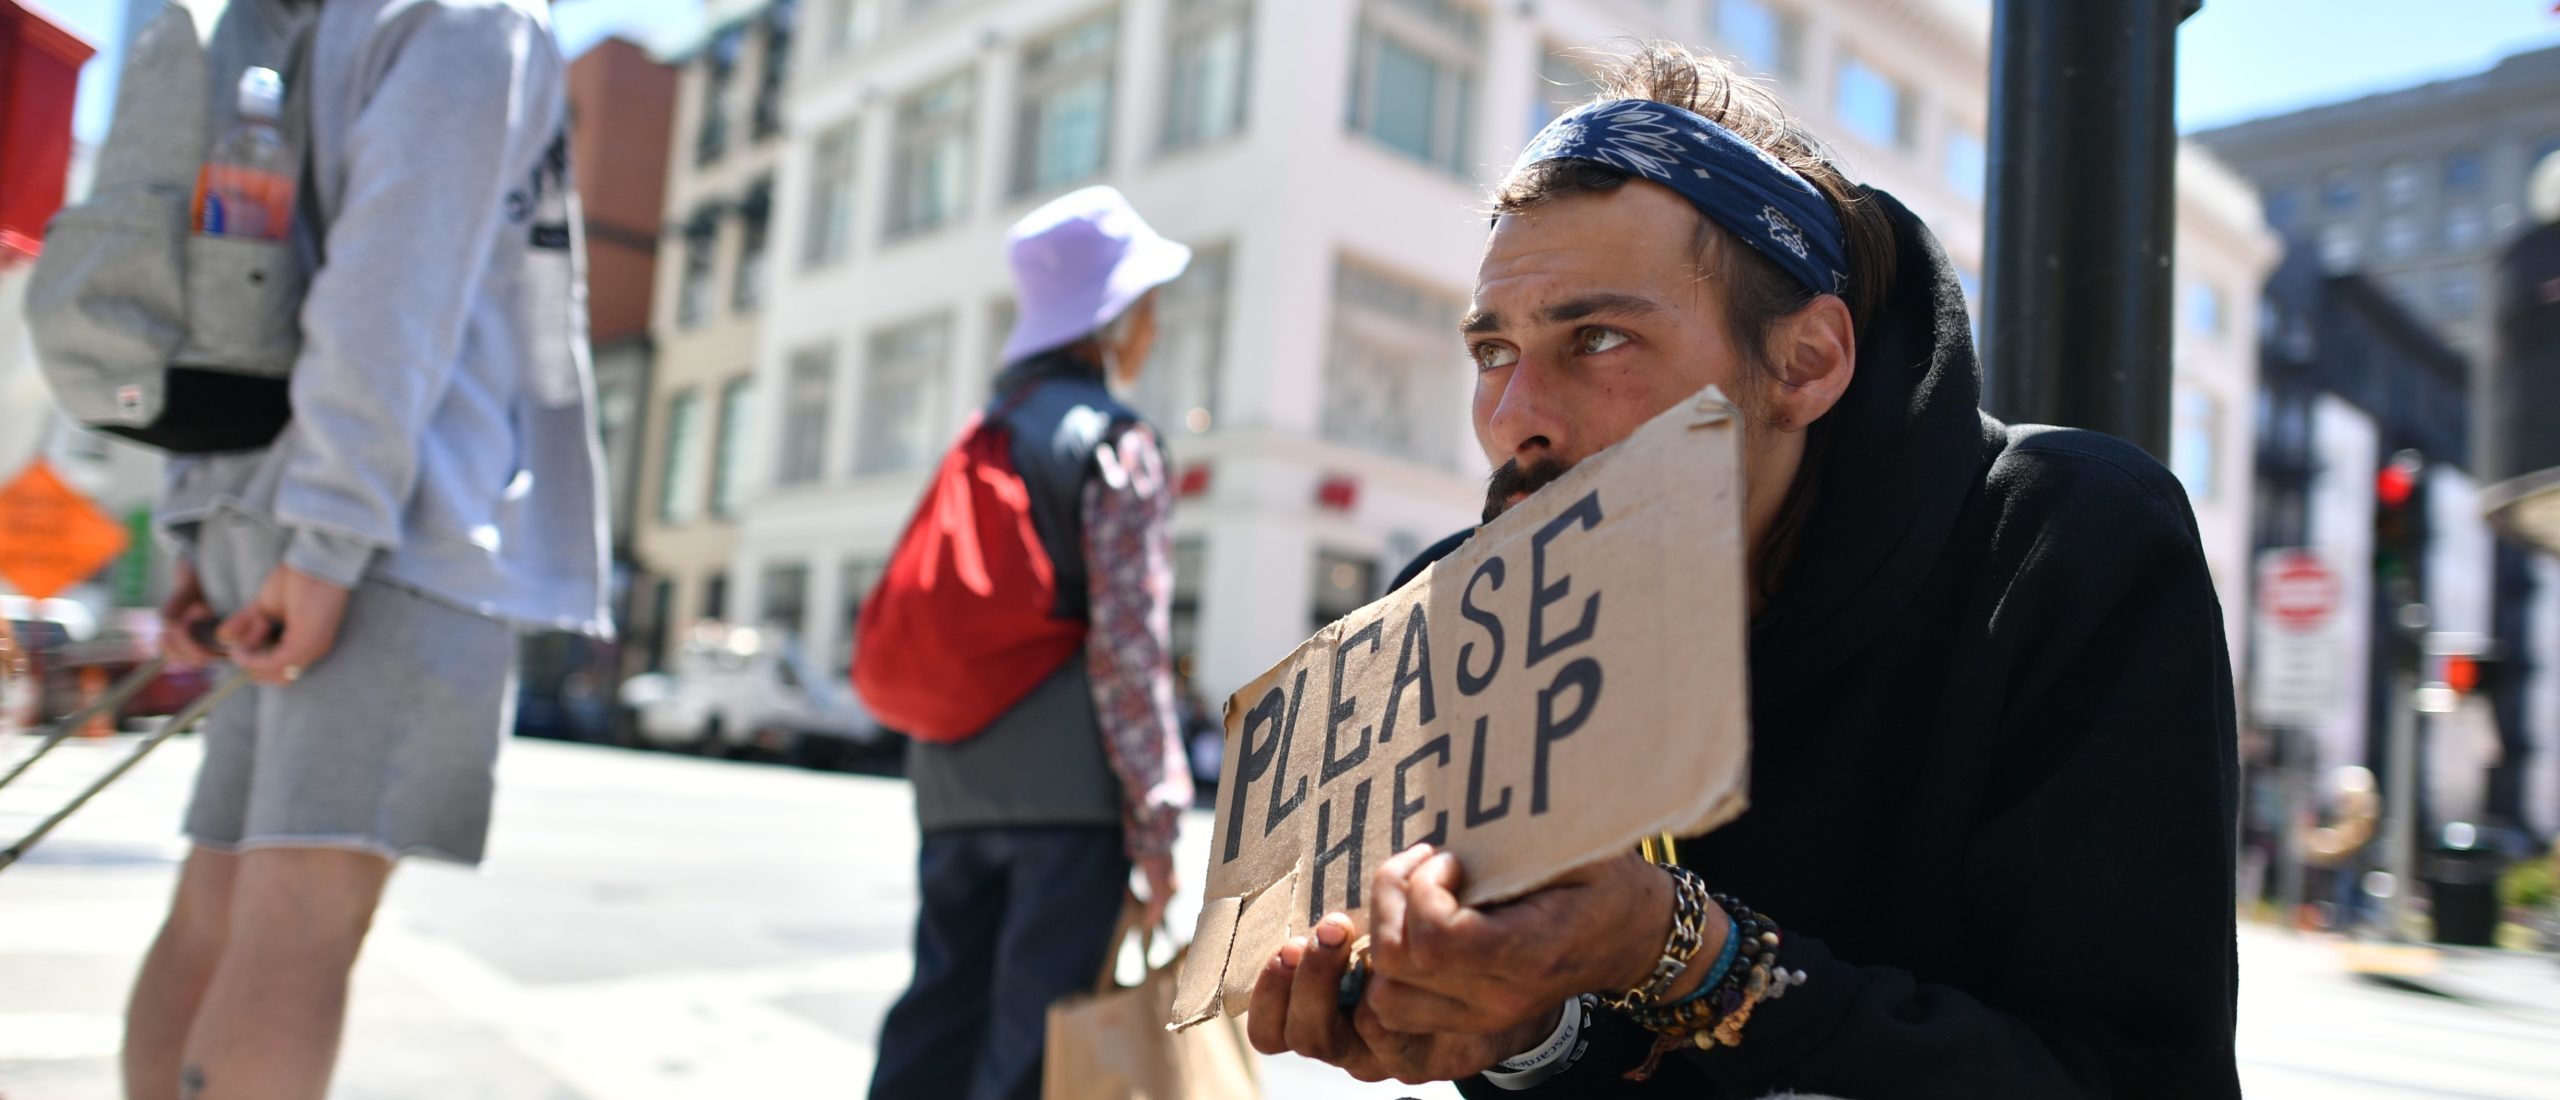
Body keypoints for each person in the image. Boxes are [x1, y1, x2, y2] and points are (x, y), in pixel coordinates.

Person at [1246, 45, 2241, 1097]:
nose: (1511, 420)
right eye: (1492, 350)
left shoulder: (2063, 547)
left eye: (1597, 335)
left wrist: (1689, 954)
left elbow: (2129, 1071)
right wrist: (1515, 1022)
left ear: (1807, 360)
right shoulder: (1478, 609)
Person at [122, 3, 604, 1099]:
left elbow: (218, 279)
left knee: (219, 903)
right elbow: (396, 278)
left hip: (269, 505)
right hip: (390, 525)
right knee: (300, 920)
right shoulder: (472, 18)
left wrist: (196, 516)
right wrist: (333, 532)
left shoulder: (298, 17)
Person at [868, 186, 1195, 1100]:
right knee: (1029, 1055)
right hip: (1069, 804)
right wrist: (1159, 822)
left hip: (952, 788)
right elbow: (1129, 648)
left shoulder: (985, 434)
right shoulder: (1115, 443)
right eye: (1149, 308)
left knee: (935, 1022)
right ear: (1116, 317)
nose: (1155, 330)